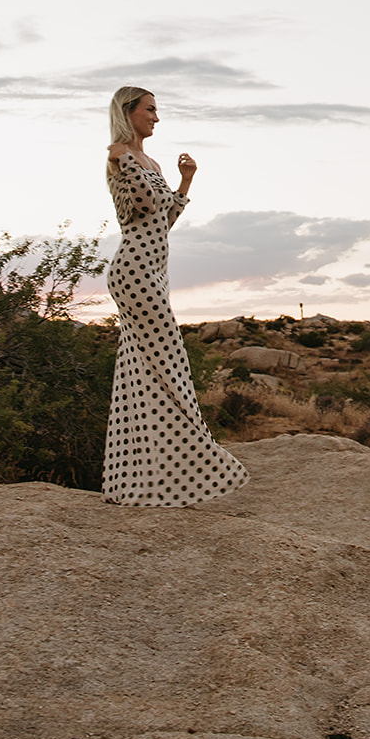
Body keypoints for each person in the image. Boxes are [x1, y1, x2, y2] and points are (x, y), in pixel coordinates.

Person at [102, 86, 248, 506]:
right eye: (150, 110)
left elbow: (164, 221)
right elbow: (146, 204)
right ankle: (197, 459)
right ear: (128, 112)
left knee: (142, 370)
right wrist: (128, 160)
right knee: (170, 362)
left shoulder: (150, 162)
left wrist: (185, 181)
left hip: (153, 270)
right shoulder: (118, 154)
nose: (157, 117)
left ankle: (140, 479)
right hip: (133, 272)